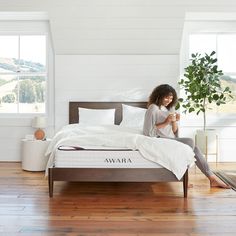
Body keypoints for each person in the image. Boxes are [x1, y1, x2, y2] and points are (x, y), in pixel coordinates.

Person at [143, 84, 230, 189]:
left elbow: (174, 131)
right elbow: (148, 132)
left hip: (171, 139)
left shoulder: (166, 109)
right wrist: (166, 122)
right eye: (166, 97)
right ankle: (205, 178)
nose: (169, 100)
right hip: (161, 140)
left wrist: (174, 121)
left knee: (195, 148)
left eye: (171, 98)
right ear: (159, 95)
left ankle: (211, 178)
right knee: (190, 142)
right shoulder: (153, 108)